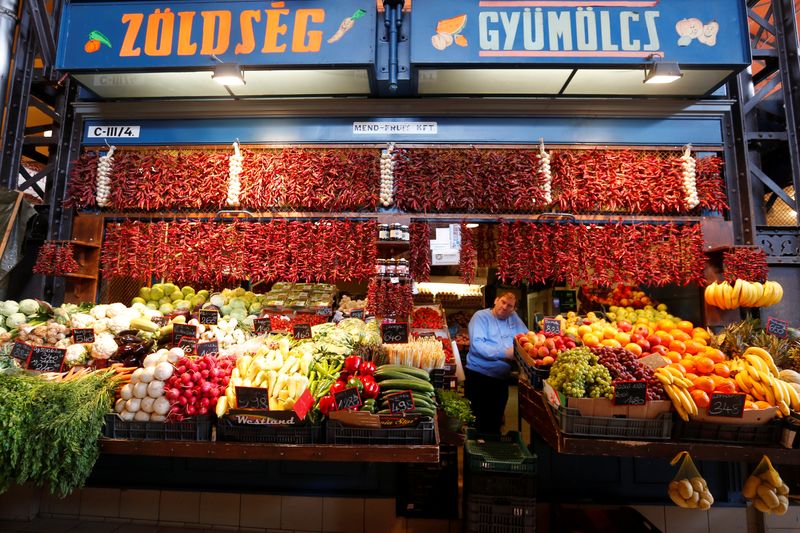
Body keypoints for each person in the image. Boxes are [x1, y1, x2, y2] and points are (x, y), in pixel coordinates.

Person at [464, 291, 528, 434]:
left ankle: (491, 451)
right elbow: (477, 345)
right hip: (479, 377)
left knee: (495, 420)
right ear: (496, 300)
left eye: (510, 306)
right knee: (477, 421)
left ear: (514, 309)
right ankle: (477, 451)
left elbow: (525, 337)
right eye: (503, 302)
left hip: (500, 379)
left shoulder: (513, 317)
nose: (505, 307)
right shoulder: (480, 317)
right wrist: (505, 353)